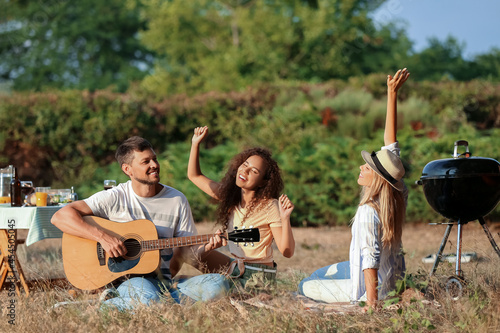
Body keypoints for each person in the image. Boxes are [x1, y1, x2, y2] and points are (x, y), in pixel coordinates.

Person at [51, 136, 230, 310]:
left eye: (155, 159)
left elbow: (184, 256)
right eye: (146, 162)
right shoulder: (115, 197)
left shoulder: (177, 199)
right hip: (130, 281)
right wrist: (104, 237)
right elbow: (60, 216)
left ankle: (148, 303)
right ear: (128, 169)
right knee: (148, 297)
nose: (154, 165)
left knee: (218, 284)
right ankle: (111, 305)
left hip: (165, 281)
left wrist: (206, 247)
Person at [298, 68, 410, 309]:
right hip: (390, 279)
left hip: (372, 288)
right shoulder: (398, 193)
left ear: (378, 179)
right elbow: (391, 148)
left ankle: (364, 296)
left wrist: (371, 304)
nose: (362, 166)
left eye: (367, 167)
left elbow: (371, 258)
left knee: (305, 284)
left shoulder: (369, 211)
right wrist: (391, 94)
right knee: (322, 272)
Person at [188, 127, 295, 288]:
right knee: (188, 253)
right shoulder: (231, 197)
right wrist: (195, 144)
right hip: (237, 267)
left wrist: (285, 218)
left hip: (259, 275)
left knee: (210, 288)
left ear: (263, 182)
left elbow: (287, 252)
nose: (244, 171)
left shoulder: (269, 206)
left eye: (254, 171)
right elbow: (194, 175)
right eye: (245, 165)